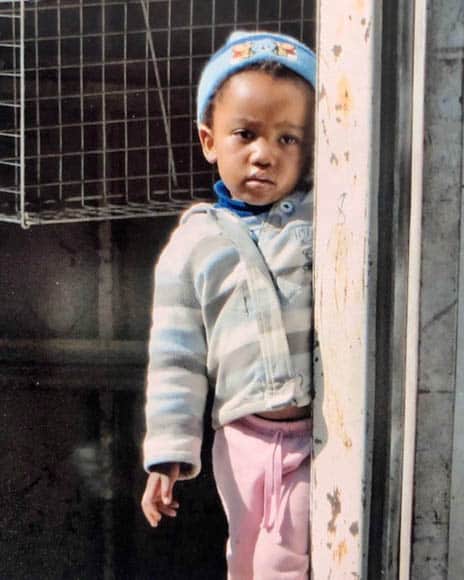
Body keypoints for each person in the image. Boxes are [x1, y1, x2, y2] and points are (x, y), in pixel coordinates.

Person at [141, 30, 316, 580]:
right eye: (246, 134)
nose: (265, 154)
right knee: (243, 559)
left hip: (316, 438)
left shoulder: (320, 220)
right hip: (238, 438)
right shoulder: (194, 244)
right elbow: (176, 359)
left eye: (289, 139)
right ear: (209, 139)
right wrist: (168, 453)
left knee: (282, 561)